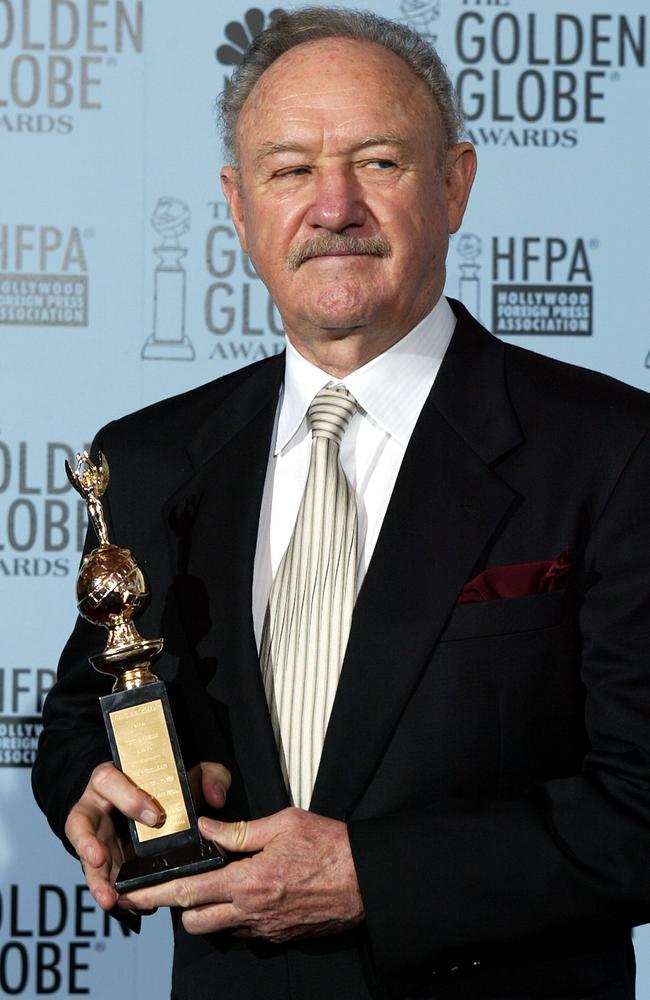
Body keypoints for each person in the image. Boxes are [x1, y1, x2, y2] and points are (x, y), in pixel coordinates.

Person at [33, 7, 650, 999]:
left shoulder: (612, 452)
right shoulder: (146, 460)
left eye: (376, 163)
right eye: (288, 171)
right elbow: (80, 711)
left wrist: (372, 876)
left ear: (453, 183)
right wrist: (91, 785)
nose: (332, 207)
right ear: (237, 207)